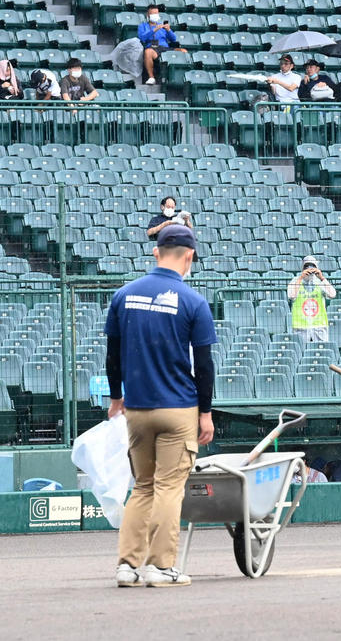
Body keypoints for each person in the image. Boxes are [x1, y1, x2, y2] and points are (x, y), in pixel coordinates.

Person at [107, 225, 217, 587]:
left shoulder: (124, 295)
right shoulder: (193, 302)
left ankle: (127, 565)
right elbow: (203, 365)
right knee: (169, 487)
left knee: (142, 486)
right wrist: (206, 412)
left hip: (137, 408)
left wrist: (116, 398)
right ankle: (161, 566)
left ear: (156, 253)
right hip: (178, 408)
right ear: (188, 257)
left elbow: (112, 357)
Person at [287, 255, 336, 343]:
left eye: (312, 266)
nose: (309, 270)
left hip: (319, 326)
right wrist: (300, 278)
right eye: (306, 267)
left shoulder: (320, 282)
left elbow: (332, 294)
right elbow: (291, 296)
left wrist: (322, 278)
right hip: (300, 326)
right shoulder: (295, 281)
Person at [138, 5, 185, 86]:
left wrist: (169, 30)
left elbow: (173, 39)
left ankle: (182, 76)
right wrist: (154, 30)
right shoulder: (143, 26)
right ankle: (151, 77)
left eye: (156, 13)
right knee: (147, 52)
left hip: (165, 48)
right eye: (153, 13)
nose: (155, 15)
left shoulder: (162, 26)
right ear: (148, 15)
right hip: (153, 49)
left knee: (183, 51)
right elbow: (142, 38)